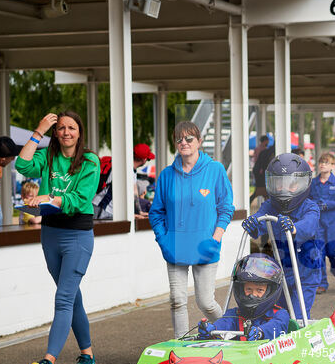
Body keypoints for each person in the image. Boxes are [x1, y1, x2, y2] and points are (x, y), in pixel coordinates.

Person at [16, 111, 101, 364]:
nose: (66, 132)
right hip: (50, 235)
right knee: (71, 297)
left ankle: (48, 361)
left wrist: (50, 197)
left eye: (72, 128)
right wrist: (38, 131)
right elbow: (21, 164)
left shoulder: (90, 161)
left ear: (80, 132)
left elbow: (80, 198)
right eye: (61, 128)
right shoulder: (47, 156)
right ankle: (87, 356)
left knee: (63, 299)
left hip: (77, 236)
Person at [150, 122, 234, 339]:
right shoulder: (167, 175)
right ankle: (181, 346)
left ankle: (230, 331)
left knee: (205, 301)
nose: (183, 143)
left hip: (205, 246)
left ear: (199, 141)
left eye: (189, 139)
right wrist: (163, 239)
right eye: (179, 139)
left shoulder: (215, 170)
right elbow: (156, 212)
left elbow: (226, 207)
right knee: (177, 300)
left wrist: (216, 237)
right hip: (175, 247)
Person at [242, 153, 321, 320]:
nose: (284, 189)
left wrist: (293, 228)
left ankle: (300, 338)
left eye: (291, 185)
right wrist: (252, 223)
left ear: (303, 184)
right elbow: (261, 218)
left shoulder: (310, 207)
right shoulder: (270, 205)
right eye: (279, 184)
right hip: (280, 271)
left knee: (298, 315)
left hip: (306, 272)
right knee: (279, 314)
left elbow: (309, 225)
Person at [197, 253, 290, 341]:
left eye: (259, 290)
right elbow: (225, 322)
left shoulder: (280, 314)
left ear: (270, 291)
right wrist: (212, 329)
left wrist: (260, 333)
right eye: (249, 289)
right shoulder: (235, 314)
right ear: (241, 289)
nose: (253, 294)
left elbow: (277, 326)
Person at [309, 152, 335, 293]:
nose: (322, 164)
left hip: (332, 224)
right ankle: (322, 284)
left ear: (332, 166)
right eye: (321, 162)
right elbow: (307, 201)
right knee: (318, 253)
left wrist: (327, 204)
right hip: (317, 224)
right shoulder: (313, 183)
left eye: (326, 162)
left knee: (333, 252)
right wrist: (315, 205)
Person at [92, 142, 155, 220]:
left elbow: (134, 194)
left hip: (101, 206)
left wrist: (139, 212)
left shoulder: (129, 169)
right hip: (103, 208)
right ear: (144, 159)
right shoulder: (126, 170)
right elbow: (132, 194)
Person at [250, 135, 276, 204]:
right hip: (260, 171)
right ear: (265, 141)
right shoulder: (263, 150)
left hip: (257, 170)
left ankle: (266, 203)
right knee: (260, 190)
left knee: (261, 191)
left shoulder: (257, 149)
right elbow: (261, 161)